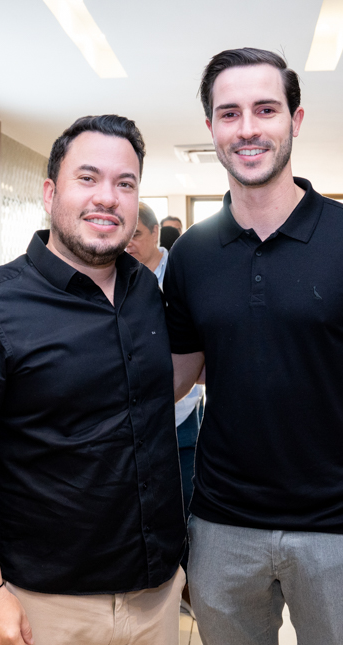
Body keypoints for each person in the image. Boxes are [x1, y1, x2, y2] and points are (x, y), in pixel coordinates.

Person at [166, 48, 343, 645]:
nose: (247, 128)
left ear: (296, 119)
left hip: (341, 528)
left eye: (266, 109)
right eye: (229, 113)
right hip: (222, 525)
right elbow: (175, 376)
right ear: (211, 127)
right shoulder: (192, 255)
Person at [0, 115, 186, 645]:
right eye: (87, 178)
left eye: (124, 183)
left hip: (154, 593)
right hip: (44, 605)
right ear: (50, 193)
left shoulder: (145, 291)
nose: (107, 197)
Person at [126, 202, 205, 611]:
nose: (129, 244)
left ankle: (190, 584)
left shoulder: (182, 272)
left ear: (156, 232)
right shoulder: (120, 277)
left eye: (137, 235)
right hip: (134, 415)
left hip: (182, 410)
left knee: (187, 498)